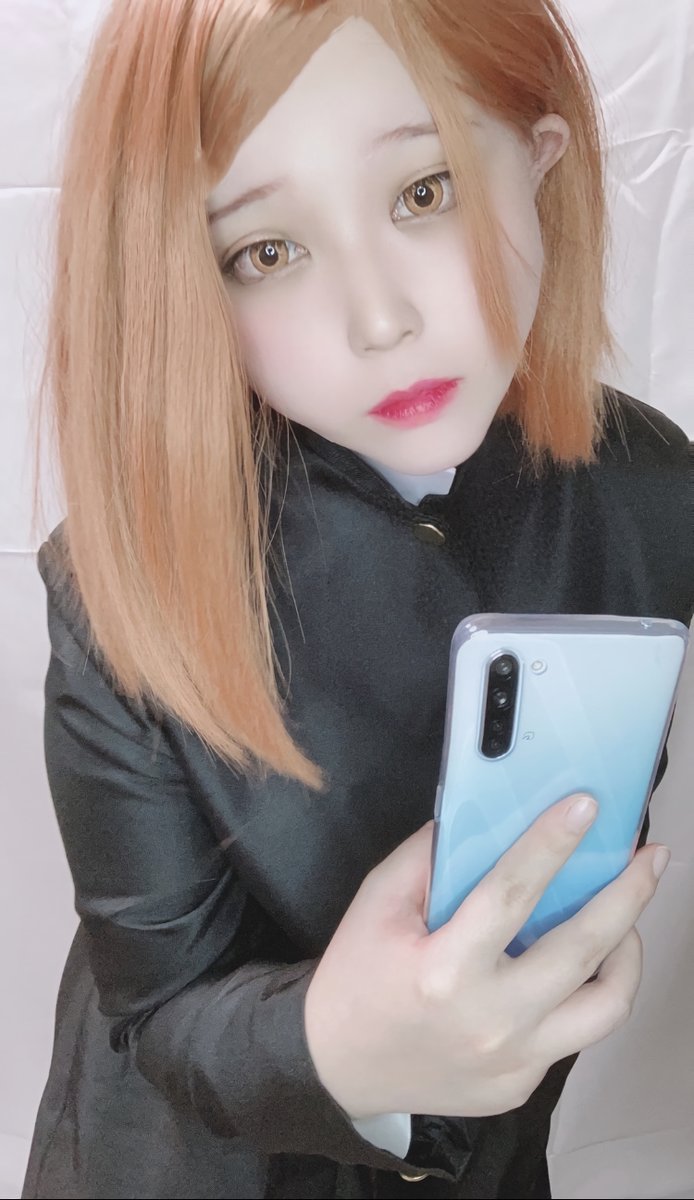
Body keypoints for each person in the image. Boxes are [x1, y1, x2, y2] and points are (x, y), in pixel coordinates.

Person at [22, 2, 692, 1198]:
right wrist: (338, 1048)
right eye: (265, 252)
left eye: (426, 191)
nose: (381, 320)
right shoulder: (118, 577)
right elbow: (159, 1008)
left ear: (540, 158)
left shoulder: (649, 494)